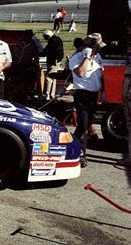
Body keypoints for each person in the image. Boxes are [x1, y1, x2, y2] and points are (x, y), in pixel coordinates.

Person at [69, 33, 106, 168]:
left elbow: (101, 76)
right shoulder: (77, 58)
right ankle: (80, 154)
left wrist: (104, 92)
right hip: (82, 94)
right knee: (83, 125)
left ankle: (73, 146)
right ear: (89, 46)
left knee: (87, 125)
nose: (99, 50)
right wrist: (86, 57)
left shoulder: (98, 57)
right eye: (96, 47)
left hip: (94, 95)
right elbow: (80, 73)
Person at [16, 29, 41, 102]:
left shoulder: (33, 45)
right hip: (22, 66)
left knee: (28, 84)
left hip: (28, 67)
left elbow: (35, 57)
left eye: (25, 36)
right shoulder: (23, 44)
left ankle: (29, 96)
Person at [40, 30, 64, 100]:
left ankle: (47, 94)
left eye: (45, 37)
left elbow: (52, 51)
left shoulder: (52, 42)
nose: (44, 39)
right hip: (57, 61)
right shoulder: (57, 39)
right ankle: (52, 94)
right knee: (54, 78)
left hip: (53, 61)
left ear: (48, 36)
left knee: (48, 77)